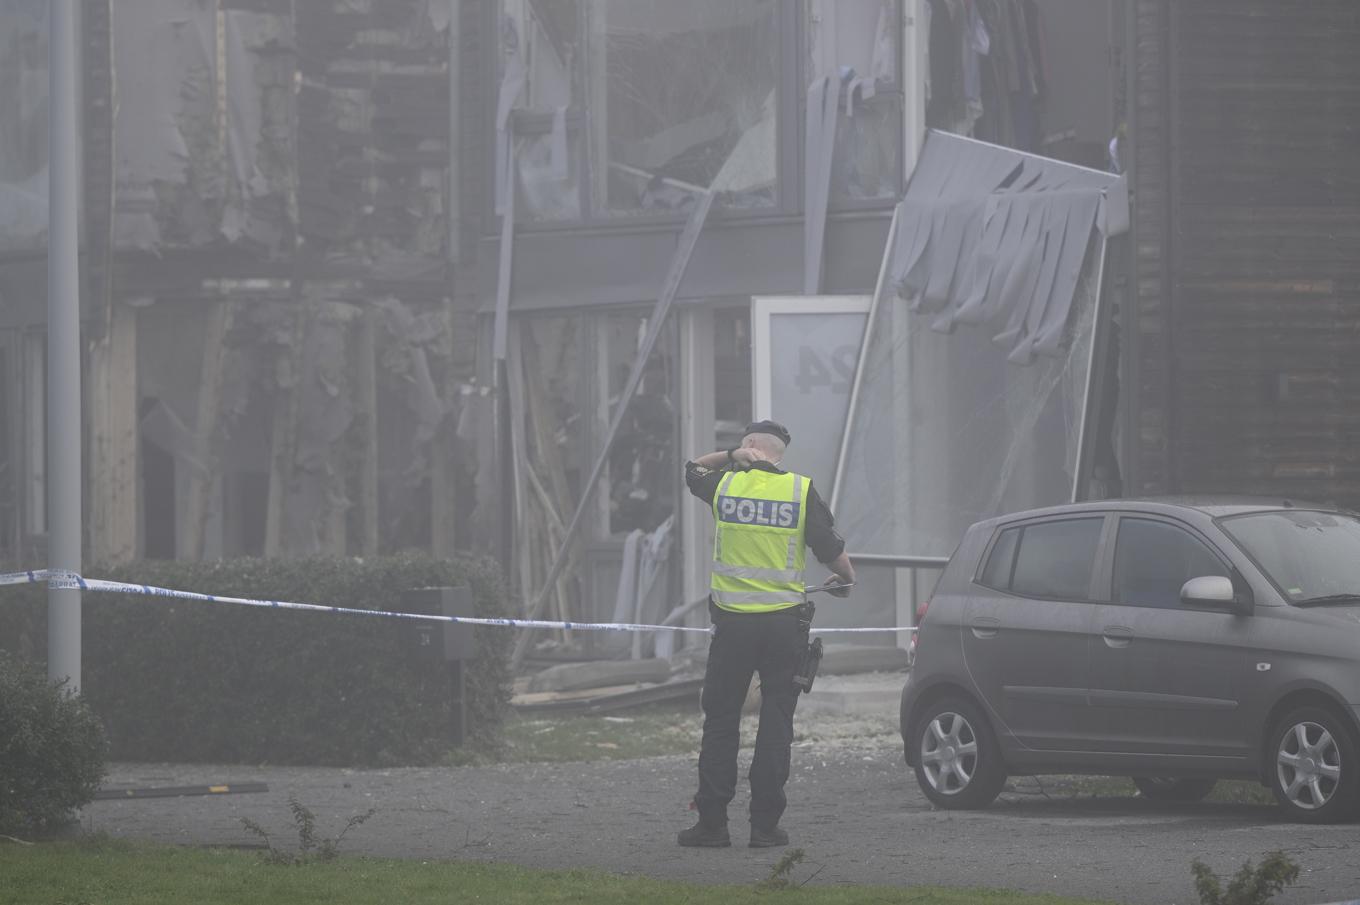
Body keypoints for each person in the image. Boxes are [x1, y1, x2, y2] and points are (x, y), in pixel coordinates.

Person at [677, 420, 855, 849]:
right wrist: (846, 578)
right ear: (780, 453)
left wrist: (732, 456)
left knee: (721, 720)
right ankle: (764, 827)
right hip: (783, 626)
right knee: (777, 723)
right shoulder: (798, 489)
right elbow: (828, 547)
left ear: (751, 446)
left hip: (733, 624)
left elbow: (691, 469)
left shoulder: (726, 485)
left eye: (744, 446)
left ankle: (713, 825)